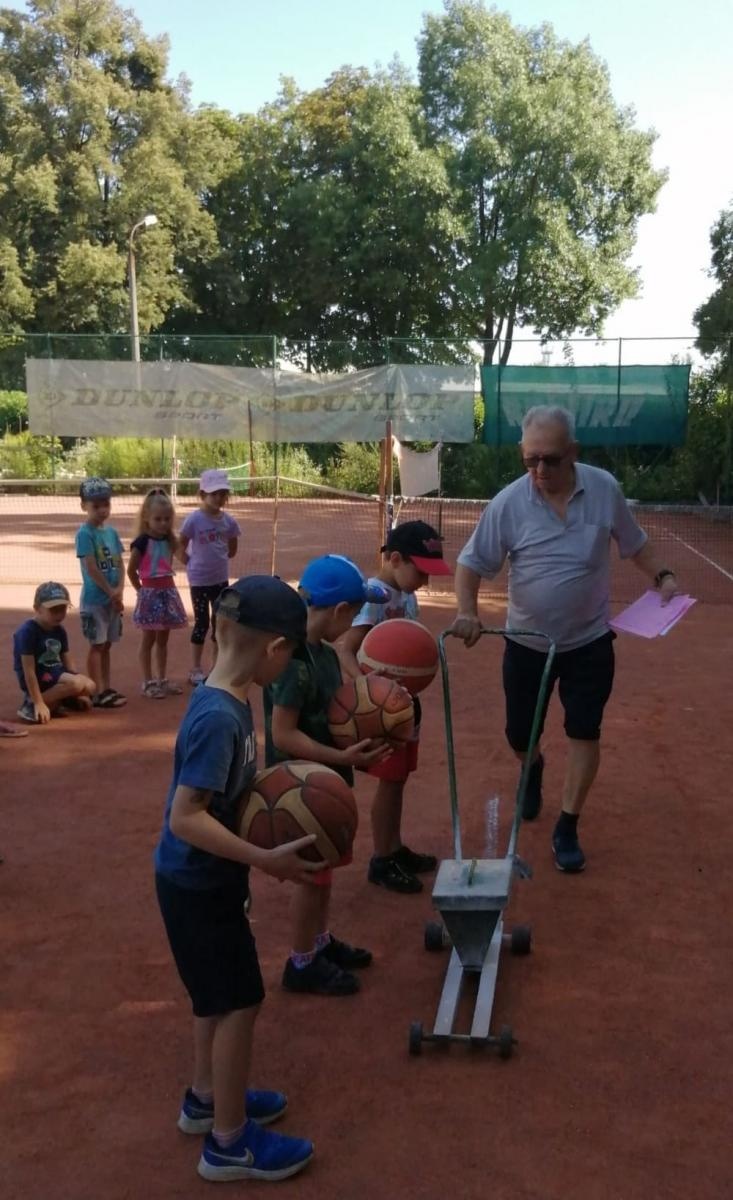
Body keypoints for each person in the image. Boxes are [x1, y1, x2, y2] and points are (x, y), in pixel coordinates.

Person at [451, 405, 680, 874]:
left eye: (550, 460)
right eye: (530, 460)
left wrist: (662, 574)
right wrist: (467, 611)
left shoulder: (604, 490)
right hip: (526, 644)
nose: (539, 470)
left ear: (573, 453)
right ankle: (531, 766)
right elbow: (471, 563)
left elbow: (633, 543)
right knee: (519, 735)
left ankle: (568, 826)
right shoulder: (509, 503)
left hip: (589, 641)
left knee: (584, 729)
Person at [154, 574, 320, 1183]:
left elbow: (225, 794)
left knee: (213, 1000)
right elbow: (186, 815)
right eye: (291, 655)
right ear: (275, 649)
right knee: (240, 1003)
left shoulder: (226, 694)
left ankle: (206, 1099)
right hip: (199, 884)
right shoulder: (221, 717)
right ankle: (228, 1144)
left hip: (199, 883)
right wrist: (265, 858)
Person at [264, 554, 392, 996]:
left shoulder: (321, 654)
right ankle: (301, 962)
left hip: (321, 778)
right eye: (355, 613)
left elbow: (336, 709)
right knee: (312, 872)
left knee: (325, 869)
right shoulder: (295, 662)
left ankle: (318, 943)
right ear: (340, 612)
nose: (355, 622)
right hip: (298, 785)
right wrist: (343, 759)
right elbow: (283, 734)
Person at [340, 521, 453, 894]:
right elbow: (346, 650)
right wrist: (368, 694)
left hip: (404, 704)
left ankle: (395, 847)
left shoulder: (407, 596)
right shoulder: (374, 598)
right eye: (421, 572)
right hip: (383, 709)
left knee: (400, 778)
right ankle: (381, 859)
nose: (425, 581)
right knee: (389, 781)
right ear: (394, 558)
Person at [180, 468, 241, 686]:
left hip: (220, 579)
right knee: (201, 623)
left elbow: (233, 544)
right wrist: (188, 562)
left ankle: (216, 668)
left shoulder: (229, 521)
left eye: (222, 494)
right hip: (199, 581)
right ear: (202, 494)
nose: (218, 498)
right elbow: (181, 542)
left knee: (220, 624)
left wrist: (225, 556)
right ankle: (195, 668)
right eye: (214, 494)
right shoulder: (194, 520)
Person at [127, 488, 187, 699]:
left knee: (163, 640)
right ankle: (148, 681)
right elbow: (131, 570)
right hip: (150, 593)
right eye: (158, 519)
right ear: (146, 518)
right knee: (148, 639)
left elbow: (186, 559)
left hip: (168, 591)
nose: (163, 523)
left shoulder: (170, 540)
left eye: (167, 519)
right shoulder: (141, 543)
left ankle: (162, 679)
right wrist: (141, 591)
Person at [75, 477, 126, 708]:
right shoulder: (85, 534)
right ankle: (95, 690)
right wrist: (110, 591)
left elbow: (120, 562)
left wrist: (120, 591)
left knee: (107, 645)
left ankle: (106, 687)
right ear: (84, 506)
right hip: (95, 600)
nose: (102, 510)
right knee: (97, 644)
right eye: (96, 505)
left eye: (106, 504)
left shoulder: (112, 533)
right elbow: (91, 567)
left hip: (112, 599)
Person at [13, 582, 96, 723]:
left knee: (90, 686)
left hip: (55, 674)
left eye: (62, 609)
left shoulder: (59, 630)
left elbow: (67, 659)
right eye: (53, 610)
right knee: (75, 684)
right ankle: (32, 703)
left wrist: (77, 693)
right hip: (39, 676)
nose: (59, 615)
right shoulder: (27, 632)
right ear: (37, 609)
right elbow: (29, 671)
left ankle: (61, 700)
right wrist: (38, 701)